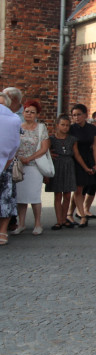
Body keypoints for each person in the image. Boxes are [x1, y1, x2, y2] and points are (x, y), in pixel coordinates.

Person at [14, 99, 48, 236]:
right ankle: (21, 223)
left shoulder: (41, 128)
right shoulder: (18, 127)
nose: (29, 114)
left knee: (34, 196)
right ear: (23, 112)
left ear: (36, 114)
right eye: (27, 111)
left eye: (32, 112)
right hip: (20, 165)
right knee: (20, 197)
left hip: (34, 165)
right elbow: (12, 144)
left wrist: (30, 158)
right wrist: (19, 157)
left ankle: (38, 223)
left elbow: (44, 148)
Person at [69, 104, 96, 228]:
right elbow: (74, 151)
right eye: (74, 115)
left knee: (80, 189)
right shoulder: (71, 129)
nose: (76, 117)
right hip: (76, 160)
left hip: (88, 157)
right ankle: (82, 216)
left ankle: (69, 212)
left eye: (79, 114)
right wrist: (85, 167)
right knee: (78, 189)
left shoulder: (92, 128)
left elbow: (95, 145)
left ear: (85, 115)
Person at [46, 115, 76, 230]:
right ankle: (58, 220)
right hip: (57, 165)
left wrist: (85, 167)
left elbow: (76, 154)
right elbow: (46, 152)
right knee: (58, 194)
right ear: (57, 125)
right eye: (62, 125)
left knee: (67, 194)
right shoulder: (51, 139)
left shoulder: (72, 139)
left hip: (68, 165)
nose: (65, 127)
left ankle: (64, 219)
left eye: (67, 125)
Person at [0, 92, 21, 244]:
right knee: (6, 198)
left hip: (6, 164)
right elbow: (15, 145)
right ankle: (2, 232)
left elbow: (15, 144)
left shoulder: (13, 119)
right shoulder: (14, 119)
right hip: (6, 163)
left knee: (6, 198)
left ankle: (2, 231)